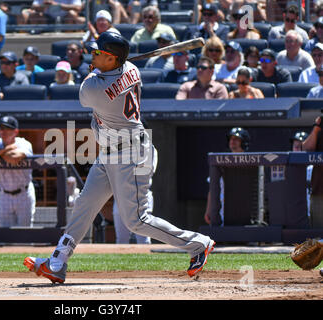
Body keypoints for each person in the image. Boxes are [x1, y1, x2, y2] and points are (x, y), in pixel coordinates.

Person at [23, 31, 216, 283]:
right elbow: (112, 68)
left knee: (136, 221)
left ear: (113, 59)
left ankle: (198, 244)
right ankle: (57, 262)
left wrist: (97, 69)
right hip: (111, 151)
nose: (92, 56)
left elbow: (88, 86)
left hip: (131, 154)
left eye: (97, 53)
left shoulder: (94, 88)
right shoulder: (131, 68)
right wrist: (106, 63)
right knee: (85, 204)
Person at [0, 116, 36, 227]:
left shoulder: (24, 143)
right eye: (1, 128)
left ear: (15, 131)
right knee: (5, 234)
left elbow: (13, 159)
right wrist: (5, 150)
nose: (3, 131)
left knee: (25, 233)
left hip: (24, 193)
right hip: (4, 194)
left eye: (7, 128)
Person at [204, 127, 250, 225]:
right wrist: (209, 210)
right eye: (231, 139)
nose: (232, 141)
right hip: (223, 210)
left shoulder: (250, 162)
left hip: (244, 209)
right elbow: (212, 189)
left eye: (236, 139)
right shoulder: (220, 162)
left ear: (243, 142)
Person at [112, 145, 157, 244]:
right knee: (121, 239)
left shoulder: (150, 149)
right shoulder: (121, 149)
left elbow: (146, 172)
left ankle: (146, 260)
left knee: (143, 240)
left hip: (141, 197)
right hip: (121, 197)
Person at [302, 115, 323, 228]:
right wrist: (316, 128)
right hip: (320, 190)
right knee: (318, 234)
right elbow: (305, 149)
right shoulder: (319, 131)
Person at [290, 131, 312, 218]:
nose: (298, 149)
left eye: (300, 147)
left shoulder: (313, 168)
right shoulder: (287, 169)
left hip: (311, 214)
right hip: (294, 214)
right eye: (296, 147)